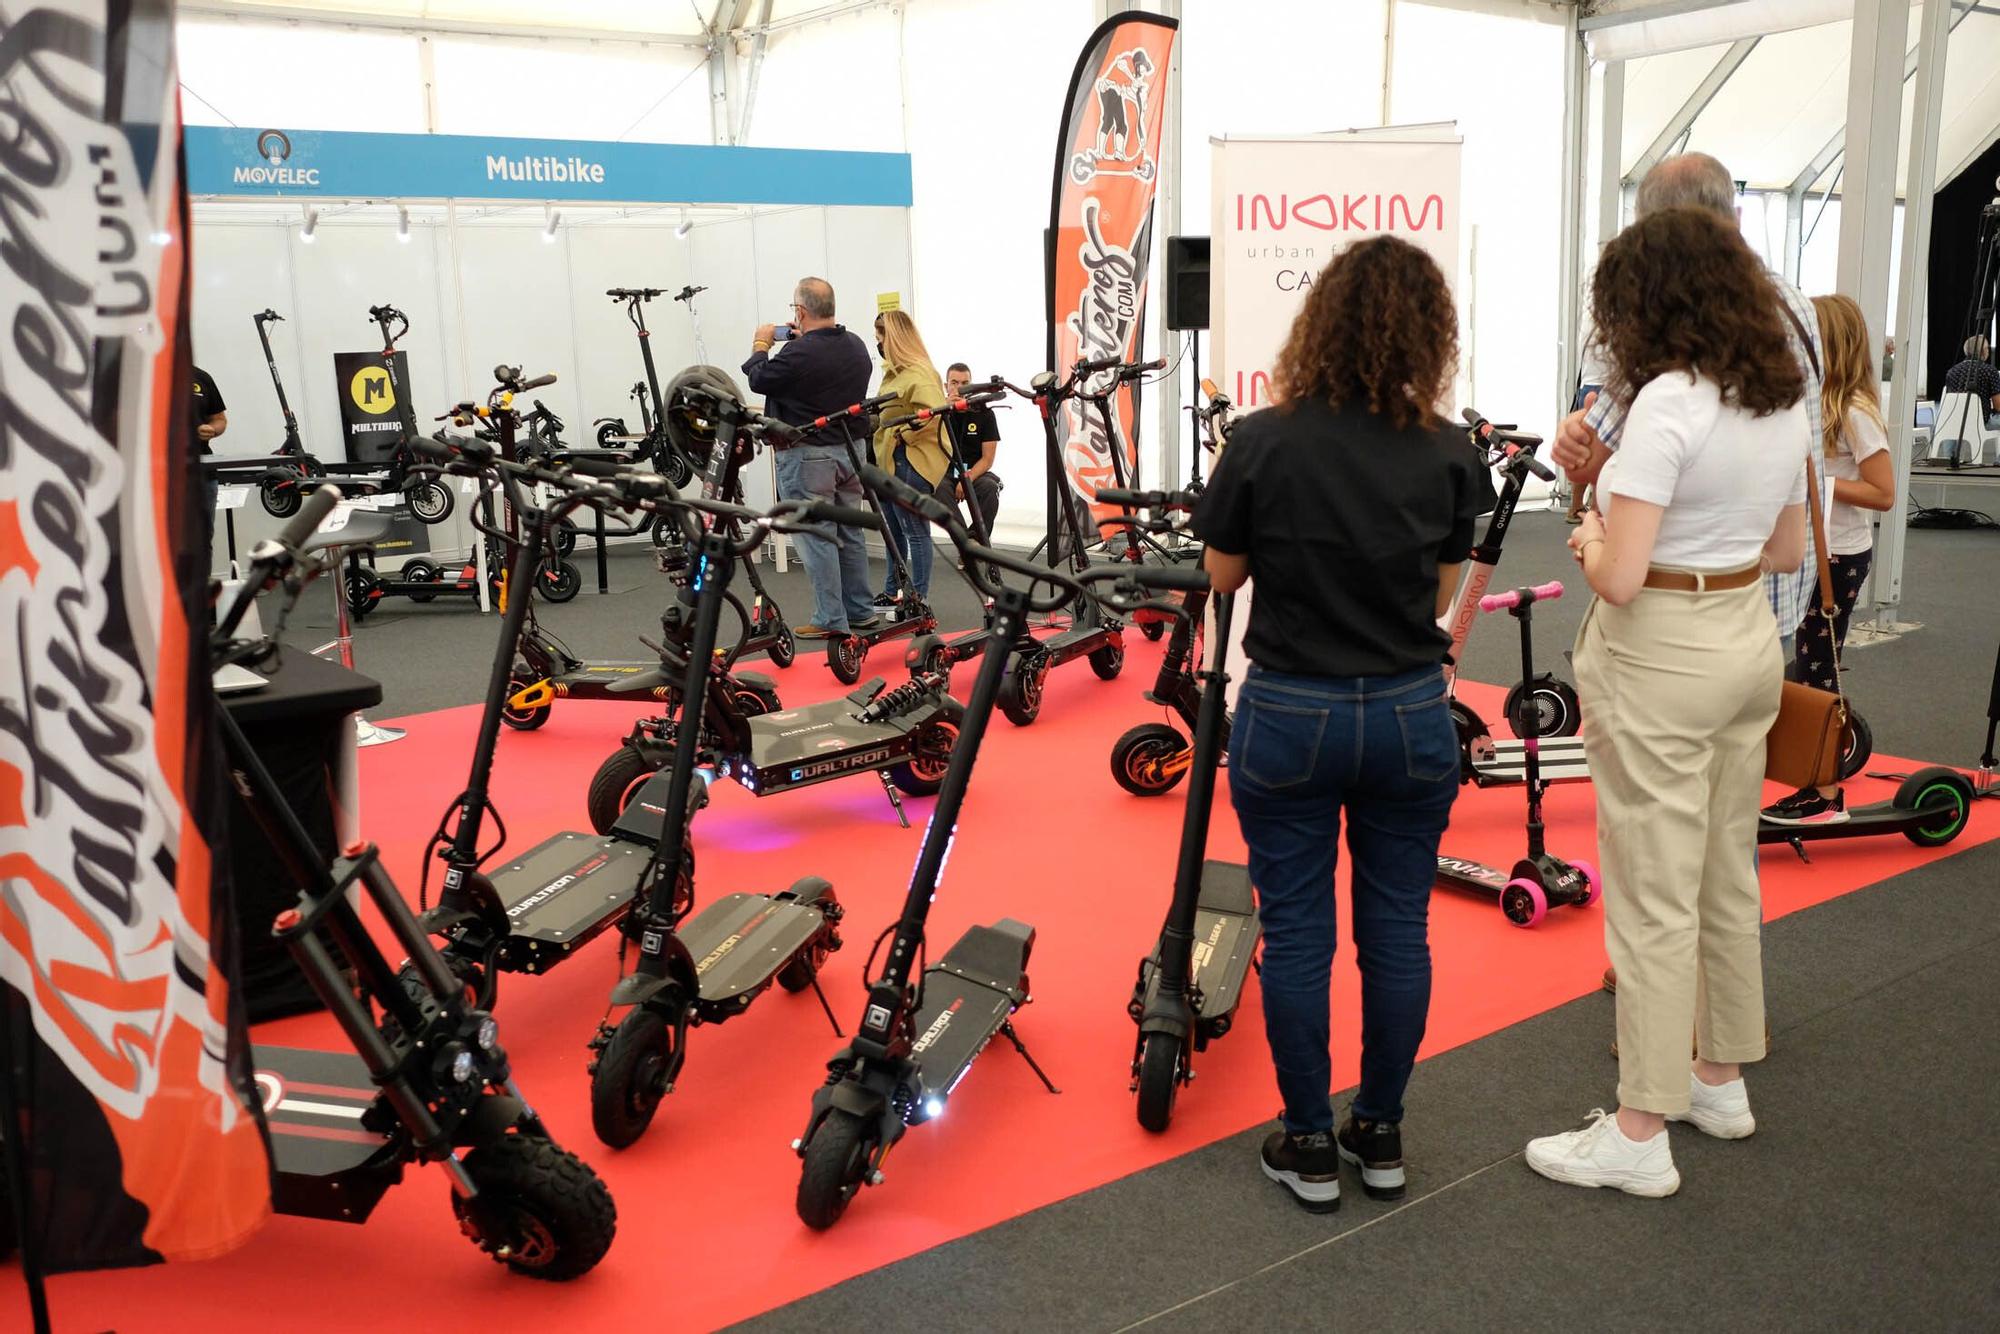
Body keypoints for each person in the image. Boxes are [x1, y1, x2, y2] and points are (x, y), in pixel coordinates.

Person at [1191, 235, 1485, 1214]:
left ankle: (1309, 1139)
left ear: (1317, 321)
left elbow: (1221, 576)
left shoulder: (1260, 440)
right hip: (1406, 710)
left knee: (1298, 932)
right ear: (1430, 334)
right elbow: (1440, 592)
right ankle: (1382, 1130)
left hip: (1291, 710)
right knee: (1397, 929)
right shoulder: (1451, 450)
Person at [1526, 206, 1809, 1198]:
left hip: (1660, 652)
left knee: (1649, 896)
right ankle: (1718, 1076)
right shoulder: (1781, 393)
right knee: (1723, 871)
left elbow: (1616, 576)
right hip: (1744, 640)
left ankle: (1639, 1127)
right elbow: (1783, 552)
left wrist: (1590, 525)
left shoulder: (1666, 404)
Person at [1553, 153, 1824, 671]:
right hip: (1764, 594)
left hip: (1671, 616)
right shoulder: (1798, 309)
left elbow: (1588, 464)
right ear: (1735, 218)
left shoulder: (1664, 357)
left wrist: (1589, 534)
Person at [1763, 295, 1896, 827]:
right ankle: (1814, 773)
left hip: (1838, 556)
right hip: (1812, 551)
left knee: (1816, 666)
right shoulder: (1813, 406)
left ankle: (1821, 791)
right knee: (1807, 660)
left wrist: (1823, 481)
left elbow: (1884, 493)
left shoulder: (1857, 412)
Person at [743, 277, 881, 639]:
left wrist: (761, 343)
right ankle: (861, 611)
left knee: (817, 537)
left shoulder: (798, 353)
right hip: (851, 451)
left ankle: (830, 618)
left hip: (807, 455)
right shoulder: (855, 345)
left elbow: (759, 379)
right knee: (849, 533)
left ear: (801, 312)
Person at [869, 311, 951, 604]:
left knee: (915, 532)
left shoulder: (919, 372)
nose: (878, 345)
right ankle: (893, 591)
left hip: (910, 460)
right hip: (891, 461)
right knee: (894, 532)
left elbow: (934, 413)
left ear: (894, 339)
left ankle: (918, 598)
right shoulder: (895, 373)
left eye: (880, 339)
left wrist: (903, 435)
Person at [941, 361, 1003, 543]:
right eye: (954, 383)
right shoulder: (939, 413)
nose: (960, 388)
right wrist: (943, 409)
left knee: (990, 489)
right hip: (945, 473)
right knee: (937, 488)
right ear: (946, 387)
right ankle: (965, 542)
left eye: (965, 383)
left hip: (974, 472)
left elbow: (988, 459)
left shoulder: (985, 414)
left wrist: (966, 478)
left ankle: (976, 540)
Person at [193, 363, 228, 526]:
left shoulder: (201, 378)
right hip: (158, 473)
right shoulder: (144, 376)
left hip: (202, 473)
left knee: (203, 539)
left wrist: (212, 429)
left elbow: (219, 419)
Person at [1941, 334, 2000, 429]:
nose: (1988, 352)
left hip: (1954, 422)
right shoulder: (1990, 371)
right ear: (1982, 351)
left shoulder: (1951, 371)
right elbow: (1998, 406)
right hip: (1980, 423)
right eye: (1987, 349)